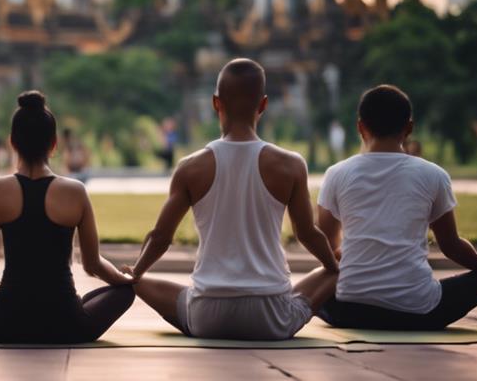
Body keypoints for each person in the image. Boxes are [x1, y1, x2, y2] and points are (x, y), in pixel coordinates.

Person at [129, 59, 339, 341]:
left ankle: (133, 278)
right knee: (332, 272)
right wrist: (335, 268)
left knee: (138, 280)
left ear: (216, 103)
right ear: (263, 105)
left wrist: (134, 275)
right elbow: (308, 234)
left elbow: (160, 237)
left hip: (207, 314)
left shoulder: (190, 167)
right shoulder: (290, 165)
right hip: (270, 316)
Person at [316, 85, 477, 331]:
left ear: (360, 127)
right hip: (418, 313)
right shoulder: (433, 175)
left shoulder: (336, 174)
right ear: (409, 128)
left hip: (348, 310)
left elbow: (327, 246)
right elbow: (451, 246)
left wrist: (358, 254)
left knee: (316, 284)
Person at [0, 91, 135, 344]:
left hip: (6, 325)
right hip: (67, 324)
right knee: (124, 293)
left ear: (12, 142)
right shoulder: (75, 191)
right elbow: (93, 265)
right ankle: (17, 299)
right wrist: (124, 279)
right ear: (54, 144)